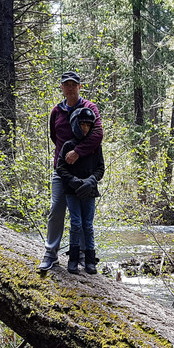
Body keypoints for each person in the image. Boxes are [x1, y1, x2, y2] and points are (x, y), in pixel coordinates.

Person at [37, 71, 103, 271]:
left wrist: (77, 152)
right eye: (67, 84)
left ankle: (83, 255)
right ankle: (51, 254)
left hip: (84, 172)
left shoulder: (89, 108)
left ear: (79, 87)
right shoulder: (56, 111)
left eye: (74, 84)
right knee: (56, 209)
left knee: (83, 217)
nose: (70, 88)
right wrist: (66, 155)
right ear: (62, 88)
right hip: (62, 170)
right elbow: (54, 137)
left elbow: (98, 134)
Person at [56, 106, 104, 274]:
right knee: (75, 224)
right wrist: (75, 182)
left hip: (89, 192)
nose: (85, 128)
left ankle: (90, 261)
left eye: (88, 125)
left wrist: (90, 181)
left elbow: (100, 169)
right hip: (72, 192)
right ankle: (73, 259)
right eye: (82, 124)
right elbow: (60, 168)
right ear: (75, 124)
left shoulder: (95, 147)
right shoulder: (68, 145)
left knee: (88, 226)